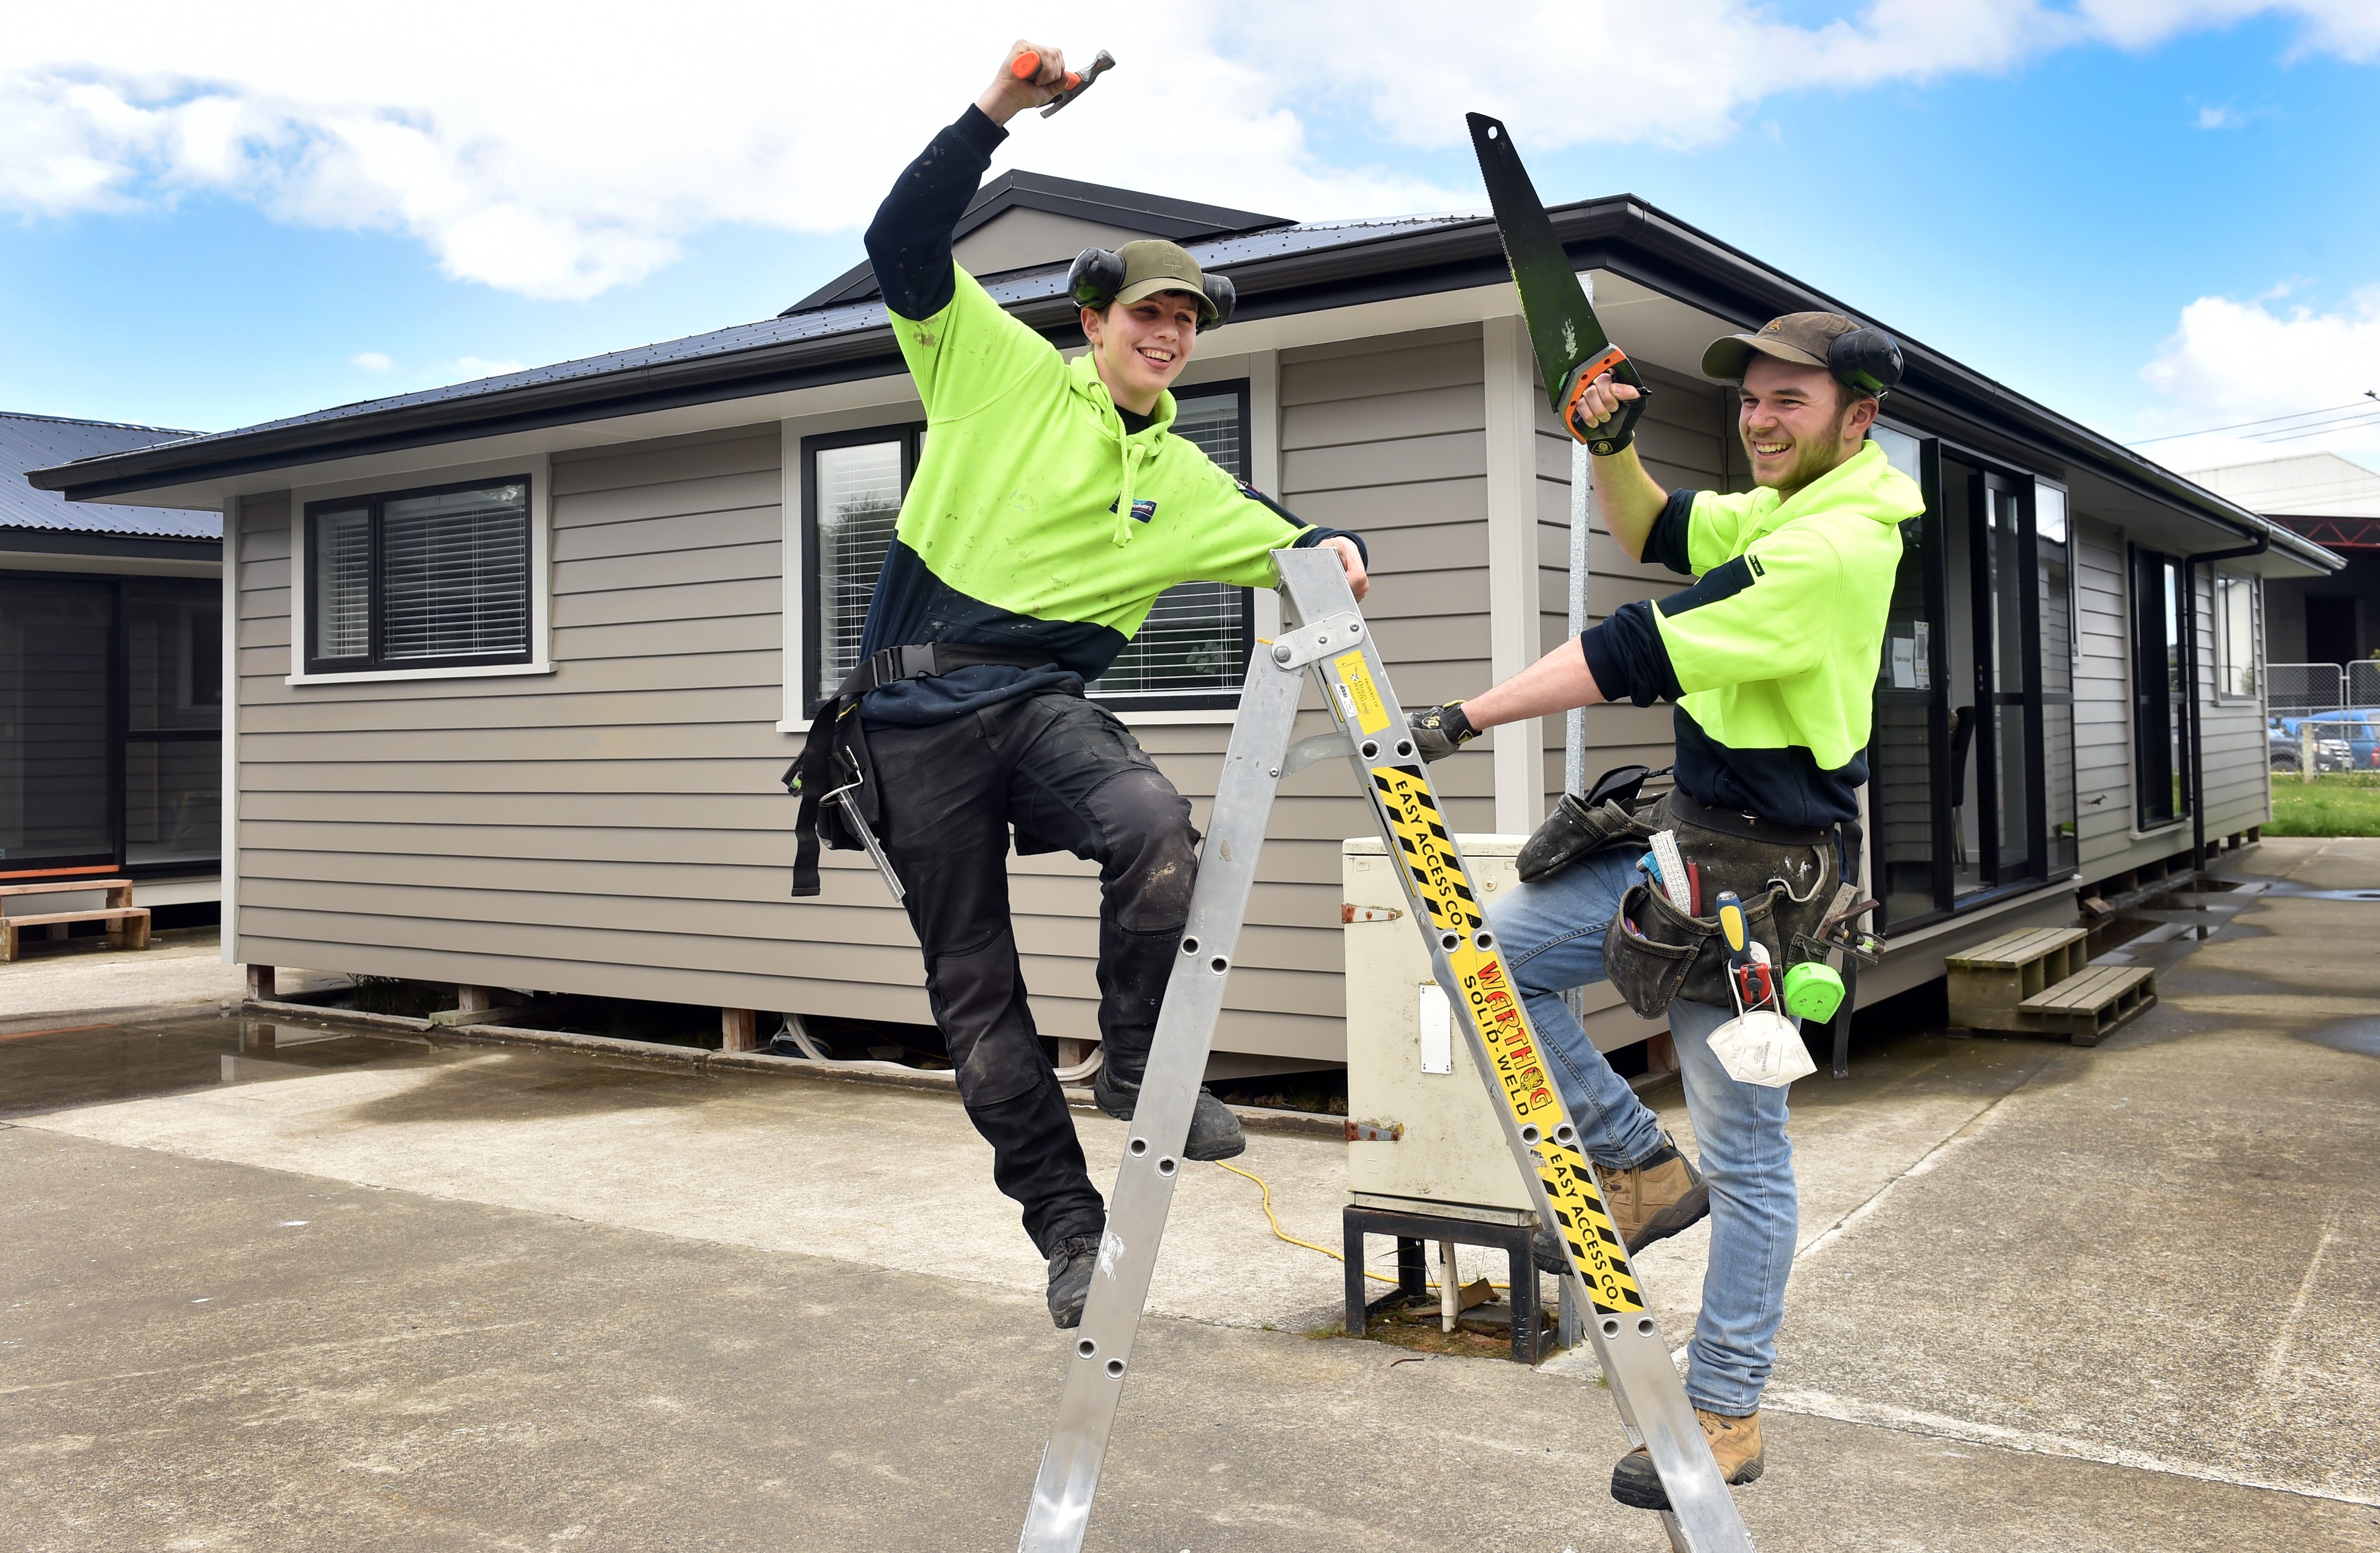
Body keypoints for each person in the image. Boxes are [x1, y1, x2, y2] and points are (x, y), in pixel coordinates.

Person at [792, 41, 1369, 1332]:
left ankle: (1135, 1057)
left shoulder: (1190, 479)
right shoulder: (991, 371)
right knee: (976, 988)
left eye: (1185, 322)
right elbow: (899, 238)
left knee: (1155, 827)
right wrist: (999, 108)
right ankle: (1065, 1227)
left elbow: (1294, 539)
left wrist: (1343, 551)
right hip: (910, 721)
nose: (1165, 334)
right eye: (1143, 315)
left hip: (1039, 709)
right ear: (1093, 321)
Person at [1406, 313, 1919, 1510]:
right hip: (1687, 854)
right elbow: (1647, 529)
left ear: (1858, 416)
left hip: (1765, 891)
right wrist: (1610, 442)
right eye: (1750, 399)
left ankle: (1729, 1406)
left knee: (1747, 1158)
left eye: (1789, 400)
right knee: (1479, 955)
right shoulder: (1777, 509)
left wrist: (1461, 718)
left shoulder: (1836, 541)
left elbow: (1639, 643)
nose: (1758, 418)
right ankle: (1636, 1165)